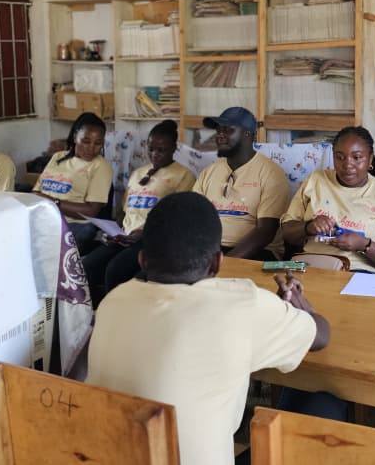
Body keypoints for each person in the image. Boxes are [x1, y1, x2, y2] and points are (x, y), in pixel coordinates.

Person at [86, 191, 330, 465]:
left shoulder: (113, 301)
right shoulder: (243, 305)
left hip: (105, 455)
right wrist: (297, 305)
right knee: (324, 405)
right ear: (217, 262)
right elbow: (321, 336)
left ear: (142, 260)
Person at [81, 120, 195, 303]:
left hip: (151, 239)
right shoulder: (138, 173)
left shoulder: (184, 176)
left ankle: (116, 314)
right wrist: (113, 231)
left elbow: (176, 218)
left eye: (162, 150)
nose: (155, 154)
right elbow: (124, 212)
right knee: (88, 265)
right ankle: (94, 312)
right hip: (124, 237)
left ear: (174, 148)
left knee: (114, 270)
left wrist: (143, 232)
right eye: (151, 149)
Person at [281, 126, 375, 275]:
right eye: (340, 157)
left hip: (360, 274)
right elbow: (286, 233)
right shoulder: (316, 181)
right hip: (312, 267)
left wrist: (364, 245)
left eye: (357, 157)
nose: (347, 165)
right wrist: (309, 227)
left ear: (370, 159)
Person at [192, 107, 290, 259]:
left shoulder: (271, 173)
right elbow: (193, 218)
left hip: (257, 251)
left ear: (247, 133)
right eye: (218, 130)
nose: (220, 135)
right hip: (212, 250)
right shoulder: (209, 172)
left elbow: (265, 232)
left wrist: (226, 263)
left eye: (227, 129)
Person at [34, 113, 113, 251]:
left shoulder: (100, 166)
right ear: (75, 137)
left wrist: (53, 202)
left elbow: (91, 211)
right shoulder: (58, 157)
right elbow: (36, 192)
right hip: (44, 219)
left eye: (98, 143)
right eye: (86, 141)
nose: (91, 148)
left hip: (75, 225)